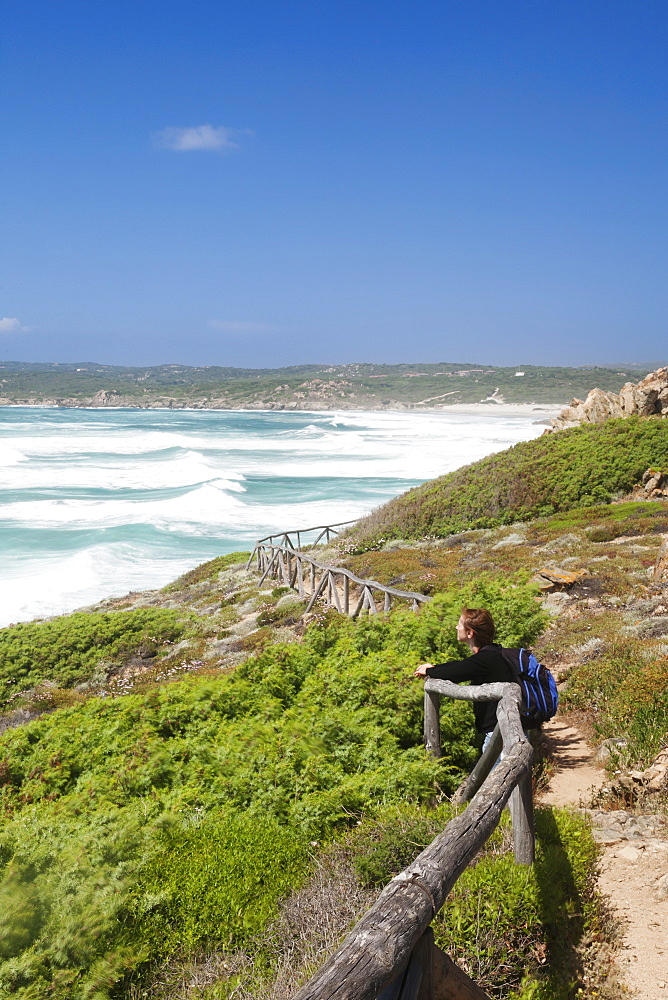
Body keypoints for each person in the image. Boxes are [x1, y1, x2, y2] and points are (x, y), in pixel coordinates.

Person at [414, 607, 515, 752]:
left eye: (459, 624)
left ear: (470, 633)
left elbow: (456, 671)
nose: (456, 627)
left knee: (495, 774)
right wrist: (434, 667)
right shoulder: (492, 652)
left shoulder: (486, 658)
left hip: (499, 734)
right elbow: (461, 666)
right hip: (502, 729)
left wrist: (430, 671)